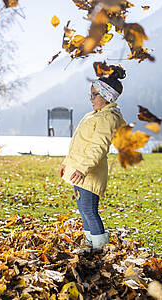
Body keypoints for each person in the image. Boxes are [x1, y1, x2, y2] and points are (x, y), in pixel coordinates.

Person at [59, 66, 126, 250]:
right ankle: (91, 245)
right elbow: (78, 144)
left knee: (89, 210)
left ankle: (100, 250)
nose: (91, 99)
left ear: (106, 96)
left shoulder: (108, 118)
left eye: (94, 95)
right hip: (79, 172)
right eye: (90, 95)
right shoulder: (94, 115)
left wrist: (83, 168)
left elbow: (99, 147)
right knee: (83, 210)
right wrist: (67, 163)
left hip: (89, 173)